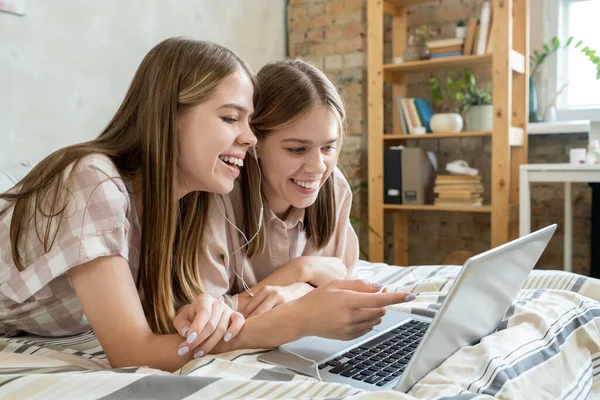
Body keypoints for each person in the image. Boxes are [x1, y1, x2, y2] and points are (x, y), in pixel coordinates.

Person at [173, 60, 415, 359]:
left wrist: (295, 291)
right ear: (254, 142)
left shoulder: (334, 188)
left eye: (328, 148)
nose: (317, 167)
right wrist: (300, 271)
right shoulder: (217, 194)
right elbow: (208, 315)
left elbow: (340, 282)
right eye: (297, 149)